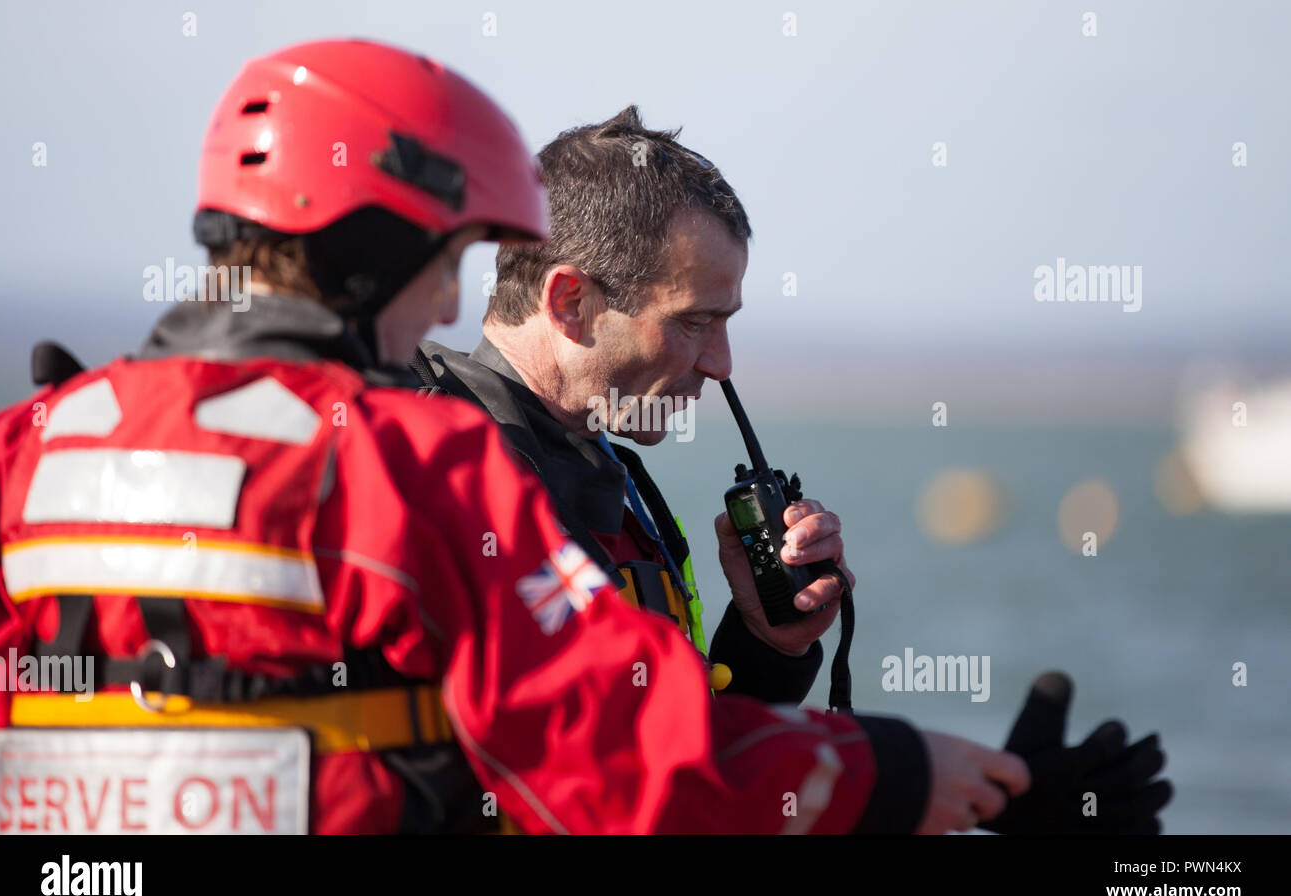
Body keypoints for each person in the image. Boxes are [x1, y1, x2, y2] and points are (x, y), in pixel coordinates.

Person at [0, 38, 1035, 835]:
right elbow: (624, 765)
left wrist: (761, 656)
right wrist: (901, 774)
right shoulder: (408, 465)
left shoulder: (27, 446)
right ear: (373, 260)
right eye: (447, 266)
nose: (451, 302)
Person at [413, 106, 1173, 833]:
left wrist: (765, 646)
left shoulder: (602, 470)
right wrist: (904, 781)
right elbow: (614, 777)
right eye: (694, 322)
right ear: (570, 301)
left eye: (727, 323)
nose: (720, 364)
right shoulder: (451, 488)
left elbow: (689, 758)